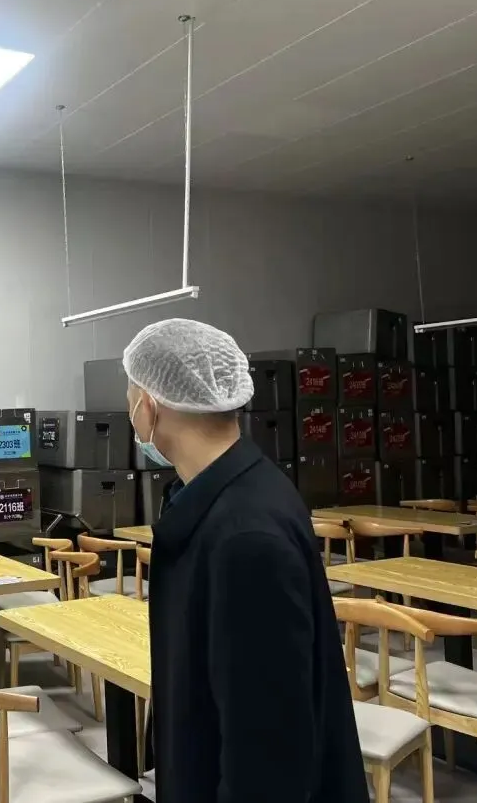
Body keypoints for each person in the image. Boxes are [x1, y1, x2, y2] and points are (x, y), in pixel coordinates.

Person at [124, 319, 367, 803]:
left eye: (130, 393)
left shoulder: (246, 538)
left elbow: (266, 755)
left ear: (149, 404)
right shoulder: (226, 495)